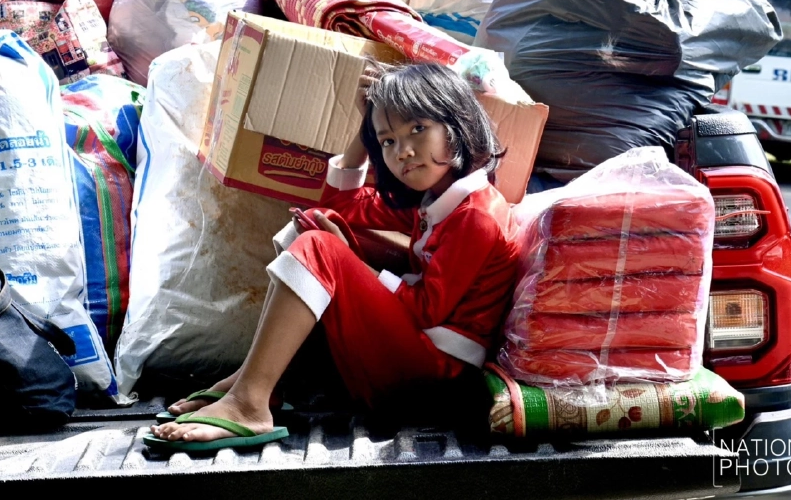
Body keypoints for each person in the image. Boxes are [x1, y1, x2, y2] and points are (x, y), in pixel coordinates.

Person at [146, 61, 520, 450]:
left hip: (436, 380)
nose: (404, 152)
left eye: (418, 129)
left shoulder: (477, 215)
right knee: (315, 224)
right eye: (389, 141)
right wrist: (367, 127)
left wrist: (349, 259)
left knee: (320, 248)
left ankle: (248, 404)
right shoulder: (435, 194)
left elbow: (427, 311)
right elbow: (342, 201)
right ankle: (255, 381)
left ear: (457, 125)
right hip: (414, 355)